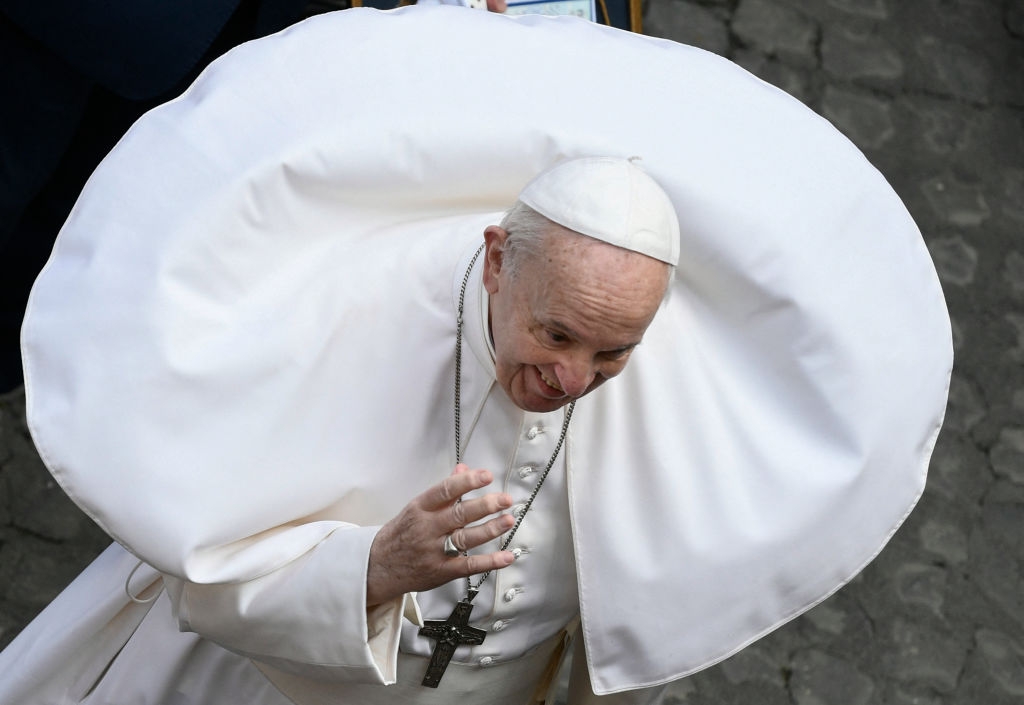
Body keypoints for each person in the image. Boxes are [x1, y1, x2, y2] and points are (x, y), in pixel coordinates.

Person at [0, 7, 952, 705]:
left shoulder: (676, 380)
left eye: (613, 352)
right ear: (497, 260)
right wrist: (375, 568)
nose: (572, 380)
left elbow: (632, 611)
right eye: (556, 334)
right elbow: (204, 578)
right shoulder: (346, 314)